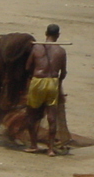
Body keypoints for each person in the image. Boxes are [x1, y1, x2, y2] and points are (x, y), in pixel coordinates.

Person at [23, 24, 68, 155]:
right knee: (52, 117)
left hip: (38, 80)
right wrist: (58, 83)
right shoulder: (61, 51)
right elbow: (63, 72)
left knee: (31, 114)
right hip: (53, 82)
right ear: (58, 35)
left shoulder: (37, 47)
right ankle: (50, 149)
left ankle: (33, 145)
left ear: (45, 33)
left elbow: (28, 67)